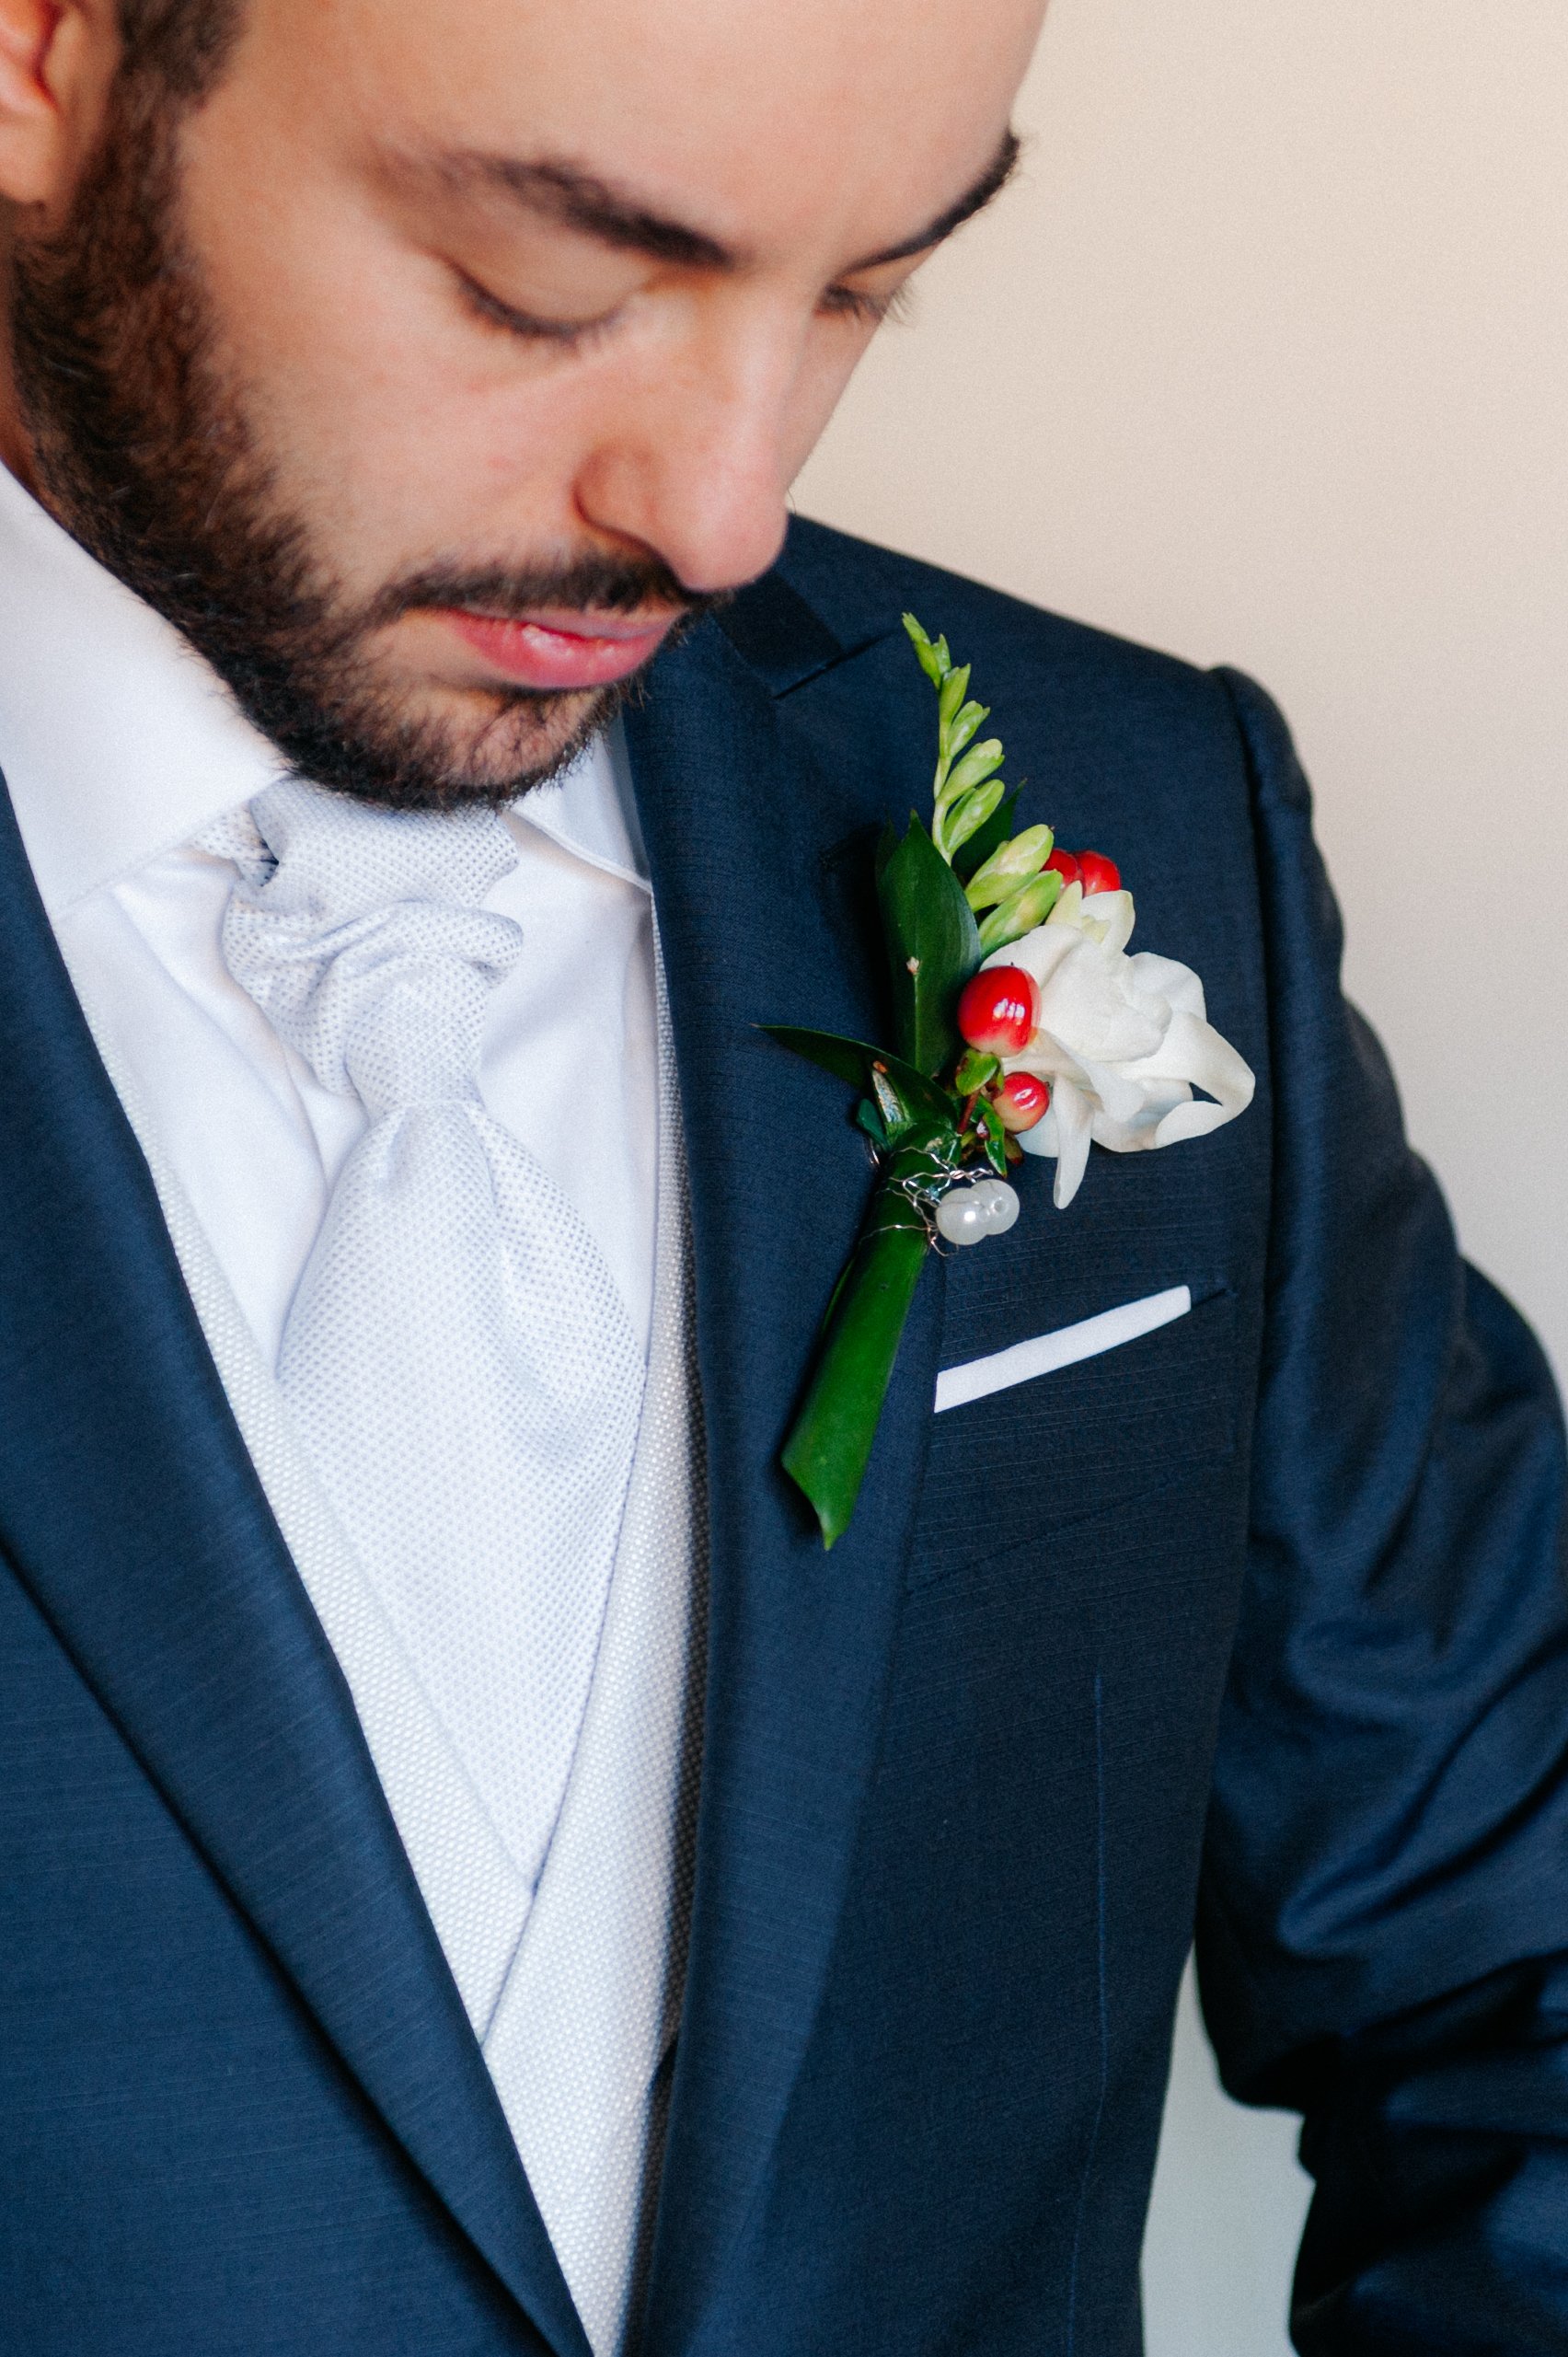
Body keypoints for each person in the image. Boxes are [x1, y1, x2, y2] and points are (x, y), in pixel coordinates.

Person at [1, 2, 1564, 2352]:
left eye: (861, 290)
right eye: (546, 286)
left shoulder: (1138, 804)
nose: (723, 514)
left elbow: (1518, 1963)